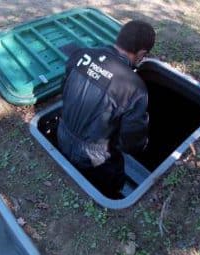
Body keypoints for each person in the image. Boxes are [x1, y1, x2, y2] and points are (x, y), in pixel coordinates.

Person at [57, 20, 156, 198]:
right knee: (109, 185)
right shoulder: (135, 88)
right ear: (142, 53)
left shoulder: (81, 55)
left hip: (62, 137)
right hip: (95, 161)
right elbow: (131, 144)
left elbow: (64, 90)